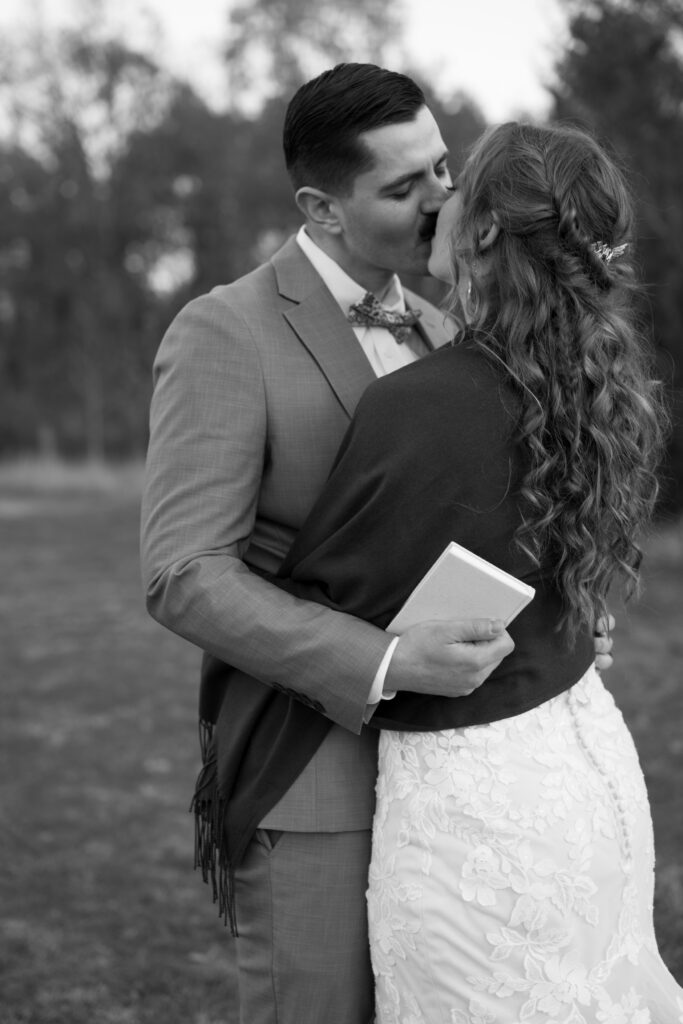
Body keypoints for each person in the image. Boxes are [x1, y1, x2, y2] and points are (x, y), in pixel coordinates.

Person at [140, 64, 612, 1024]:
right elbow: (184, 574)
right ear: (320, 208)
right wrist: (385, 662)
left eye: (441, 168)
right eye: (402, 187)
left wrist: (562, 619)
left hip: (456, 782)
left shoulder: (450, 325)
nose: (441, 199)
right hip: (314, 769)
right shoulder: (224, 331)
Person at [273, 122, 680, 1021]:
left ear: (486, 227)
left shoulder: (417, 403)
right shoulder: (597, 383)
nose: (436, 201)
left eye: (454, 185)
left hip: (476, 809)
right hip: (586, 765)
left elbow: (326, 601)